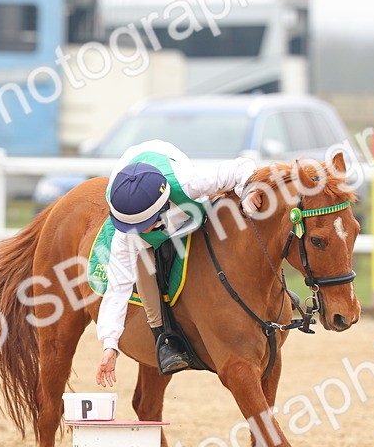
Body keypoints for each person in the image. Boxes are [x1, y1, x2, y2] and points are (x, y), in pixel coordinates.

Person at [94, 140, 262, 387]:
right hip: (130, 175)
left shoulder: (189, 181)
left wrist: (248, 193)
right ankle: (164, 335)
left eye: (143, 225)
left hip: (167, 163)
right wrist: (110, 345)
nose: (137, 231)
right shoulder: (125, 233)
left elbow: (242, 168)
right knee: (143, 256)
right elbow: (117, 288)